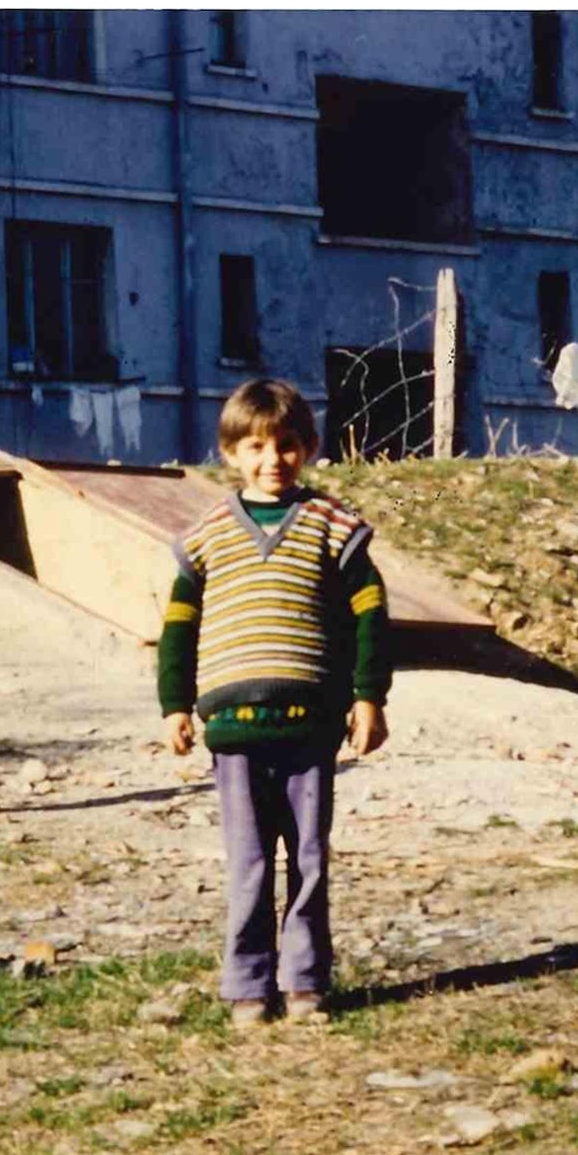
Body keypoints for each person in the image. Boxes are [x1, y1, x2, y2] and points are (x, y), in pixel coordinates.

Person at [158, 378, 389, 1026]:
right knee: (250, 862)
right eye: (256, 446)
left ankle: (307, 981)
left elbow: (369, 614)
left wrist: (368, 696)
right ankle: (247, 985)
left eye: (286, 445)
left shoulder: (330, 526)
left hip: (311, 724)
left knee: (309, 857)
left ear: (309, 448)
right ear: (230, 452)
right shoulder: (206, 536)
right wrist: (174, 704)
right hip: (232, 729)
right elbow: (178, 626)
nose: (272, 459)